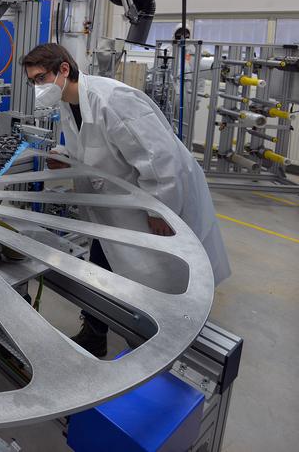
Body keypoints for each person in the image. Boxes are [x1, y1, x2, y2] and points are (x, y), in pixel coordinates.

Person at [22, 43, 231, 357]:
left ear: (64, 69)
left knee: (160, 272)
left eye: (40, 79)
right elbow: (95, 150)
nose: (37, 88)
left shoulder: (114, 100)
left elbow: (160, 161)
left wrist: (161, 211)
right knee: (102, 264)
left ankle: (166, 337)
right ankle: (95, 332)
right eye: (33, 82)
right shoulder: (69, 103)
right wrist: (68, 157)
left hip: (154, 201)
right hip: (116, 208)